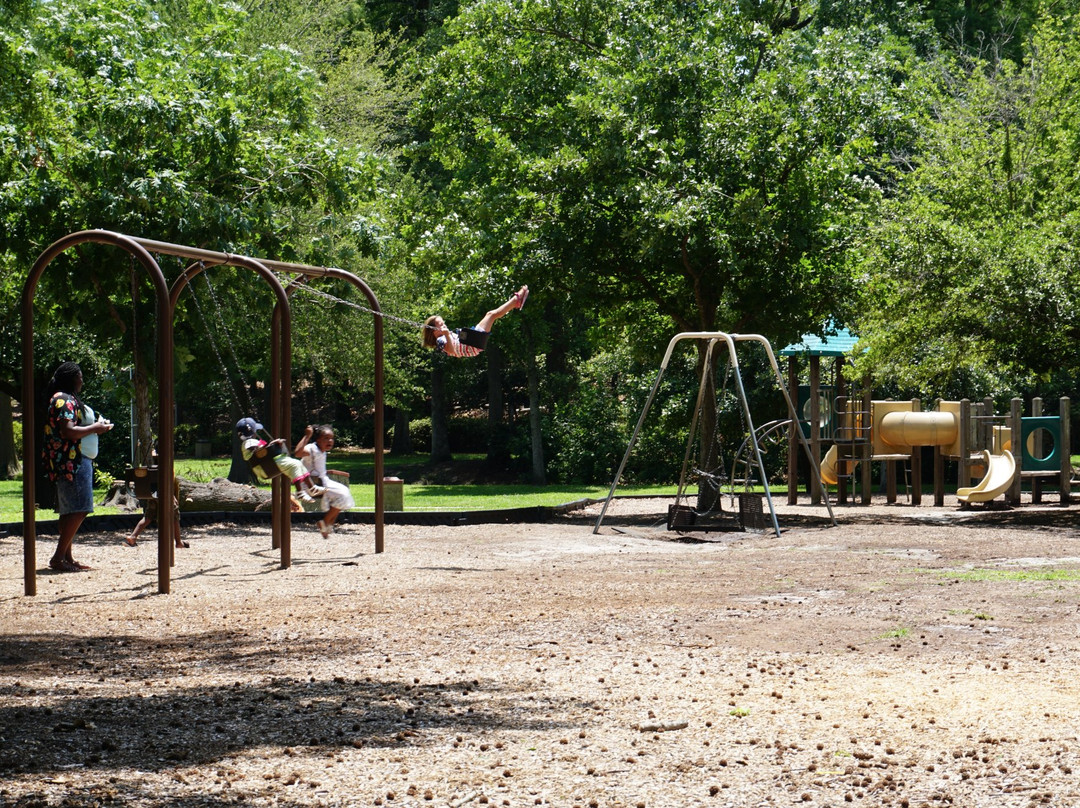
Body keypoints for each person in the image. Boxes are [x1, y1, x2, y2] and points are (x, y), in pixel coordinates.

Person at [41, 361, 114, 573]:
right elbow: (68, 431)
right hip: (72, 461)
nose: (82, 380)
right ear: (72, 378)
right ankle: (57, 557)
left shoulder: (65, 398)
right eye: (80, 376)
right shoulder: (63, 399)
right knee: (80, 509)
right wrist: (96, 428)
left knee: (70, 510)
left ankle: (67, 557)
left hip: (73, 459)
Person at [422, 285, 528, 358]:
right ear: (434, 331)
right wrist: (447, 335)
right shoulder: (440, 340)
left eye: (443, 322)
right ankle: (515, 301)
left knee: (491, 315)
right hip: (472, 345)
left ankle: (516, 303)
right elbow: (452, 351)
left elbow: (457, 353)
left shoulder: (446, 336)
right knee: (491, 315)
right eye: (441, 324)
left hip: (472, 343)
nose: (445, 325)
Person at [236, 417, 324, 501]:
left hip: (266, 465)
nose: (256, 432)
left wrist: (272, 444)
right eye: (255, 430)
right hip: (265, 467)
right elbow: (257, 449)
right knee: (294, 465)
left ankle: (312, 488)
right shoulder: (249, 442)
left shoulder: (250, 442)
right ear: (251, 431)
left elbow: (262, 449)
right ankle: (300, 492)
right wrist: (271, 444)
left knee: (298, 464)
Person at [294, 424, 355, 538]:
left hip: (322, 482)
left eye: (331, 438)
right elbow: (297, 453)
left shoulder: (322, 451)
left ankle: (327, 524)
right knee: (343, 494)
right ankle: (325, 522)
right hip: (310, 485)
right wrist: (307, 436)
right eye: (326, 438)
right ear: (318, 440)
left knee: (344, 493)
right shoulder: (311, 449)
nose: (330, 441)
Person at [125, 471, 187, 549]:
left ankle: (133, 536)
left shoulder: (151, 466)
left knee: (148, 517)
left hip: (152, 493)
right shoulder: (166, 462)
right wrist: (171, 494)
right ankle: (178, 542)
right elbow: (166, 479)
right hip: (165, 492)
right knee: (175, 516)